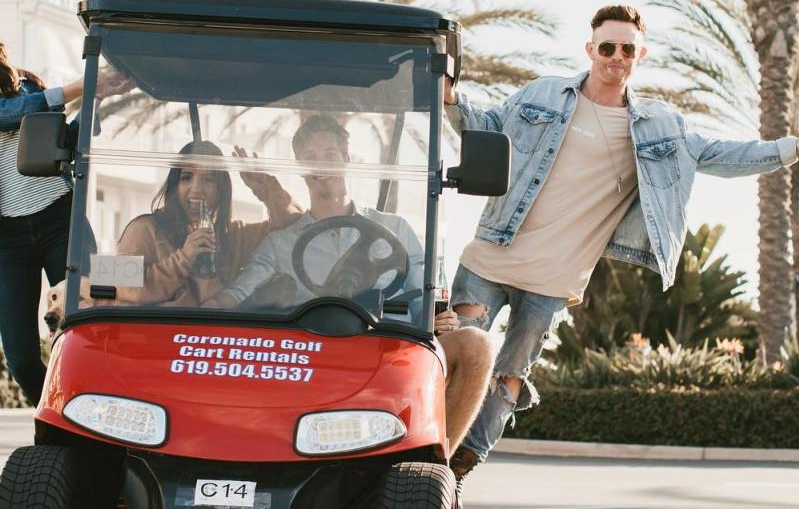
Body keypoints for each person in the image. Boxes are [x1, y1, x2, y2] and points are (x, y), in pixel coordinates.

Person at [443, 4, 799, 486]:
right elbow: (485, 123)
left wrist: (788, 148)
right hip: (490, 257)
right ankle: (429, 454)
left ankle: (459, 467)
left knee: (509, 377)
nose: (616, 56)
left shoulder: (659, 128)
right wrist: (449, 99)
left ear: (639, 55)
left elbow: (721, 155)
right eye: (607, 46)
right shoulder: (543, 93)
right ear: (590, 49)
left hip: (554, 279)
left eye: (626, 48)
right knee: (451, 353)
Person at [209, 114, 494, 453]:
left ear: (347, 159)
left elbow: (423, 298)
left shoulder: (396, 229)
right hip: (313, 359)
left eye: (330, 154)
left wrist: (437, 321)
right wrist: (203, 305)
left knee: (477, 344)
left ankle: (438, 468)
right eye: (311, 158)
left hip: (391, 356)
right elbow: (238, 294)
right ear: (300, 166)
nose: (322, 165)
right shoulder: (280, 243)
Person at [0, 43, 126, 404]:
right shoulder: (29, 101)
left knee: (88, 329)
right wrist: (85, 84)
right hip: (7, 238)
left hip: (60, 218)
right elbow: (10, 113)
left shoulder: (30, 88)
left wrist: (97, 98)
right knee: (22, 358)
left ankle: (95, 426)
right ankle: (60, 417)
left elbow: (71, 137)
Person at [116, 141, 303, 307]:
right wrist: (182, 260)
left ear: (220, 189)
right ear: (174, 184)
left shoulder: (234, 235)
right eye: (186, 177)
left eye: (208, 179)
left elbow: (294, 224)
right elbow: (112, 287)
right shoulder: (143, 229)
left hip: (216, 343)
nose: (197, 189)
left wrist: (266, 187)